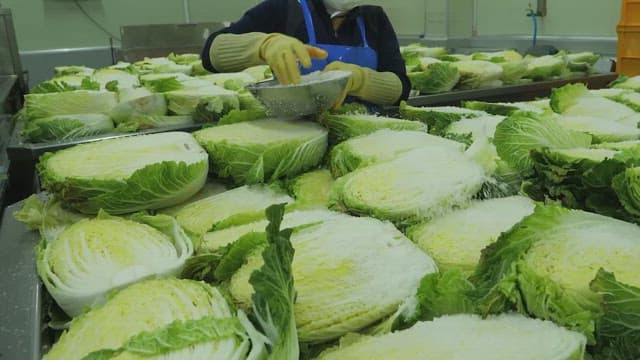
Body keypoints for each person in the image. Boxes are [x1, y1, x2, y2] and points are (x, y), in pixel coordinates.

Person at [201, 0, 410, 108]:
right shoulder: (285, 7)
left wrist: (361, 81)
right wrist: (264, 45)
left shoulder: (373, 16)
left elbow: (401, 89)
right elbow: (211, 54)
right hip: (295, 130)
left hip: (361, 131)